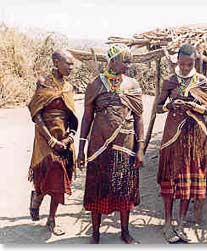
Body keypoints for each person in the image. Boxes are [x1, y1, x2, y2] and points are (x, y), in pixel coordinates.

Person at [77, 44, 144, 244]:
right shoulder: (95, 84)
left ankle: (124, 231)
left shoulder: (133, 85)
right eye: (125, 61)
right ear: (112, 61)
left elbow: (139, 118)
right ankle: (95, 233)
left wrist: (140, 149)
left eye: (130, 62)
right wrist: (81, 149)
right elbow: (87, 118)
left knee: (124, 187)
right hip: (99, 146)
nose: (128, 66)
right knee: (97, 186)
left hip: (125, 145)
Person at [156, 44, 207, 243]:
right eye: (182, 63)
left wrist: (193, 106)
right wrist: (170, 105)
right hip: (173, 136)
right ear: (177, 61)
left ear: (194, 62)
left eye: (189, 64)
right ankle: (167, 222)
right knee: (170, 178)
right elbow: (157, 108)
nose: (186, 67)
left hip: (194, 137)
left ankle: (180, 223)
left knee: (188, 180)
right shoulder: (170, 81)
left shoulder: (201, 81)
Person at [28, 49, 78, 236]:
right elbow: (36, 112)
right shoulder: (43, 83)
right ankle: (38, 196)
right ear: (56, 62)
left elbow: (72, 117)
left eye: (73, 64)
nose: (71, 67)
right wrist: (50, 138)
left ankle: (51, 219)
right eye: (68, 63)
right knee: (47, 172)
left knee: (59, 175)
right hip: (44, 136)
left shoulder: (69, 87)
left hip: (63, 137)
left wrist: (70, 136)